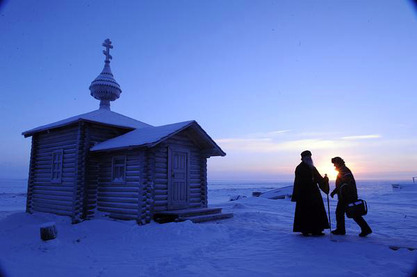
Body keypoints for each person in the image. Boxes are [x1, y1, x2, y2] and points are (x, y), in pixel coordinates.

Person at [330, 157, 372, 237]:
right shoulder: (342, 170)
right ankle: (365, 229)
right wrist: (335, 192)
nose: (334, 165)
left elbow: (346, 184)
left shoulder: (344, 171)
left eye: (334, 163)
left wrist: (343, 193)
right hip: (347, 196)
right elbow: (341, 184)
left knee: (341, 212)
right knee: (353, 213)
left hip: (347, 196)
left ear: (338, 163)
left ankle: (341, 230)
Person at [291, 150, 330, 236]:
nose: (309, 158)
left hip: (314, 193)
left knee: (316, 211)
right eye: (307, 157)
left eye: (310, 157)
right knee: (305, 212)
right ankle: (305, 229)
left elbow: (318, 178)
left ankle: (317, 229)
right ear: (303, 158)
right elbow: (298, 182)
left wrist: (324, 180)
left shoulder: (312, 168)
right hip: (304, 194)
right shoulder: (300, 168)